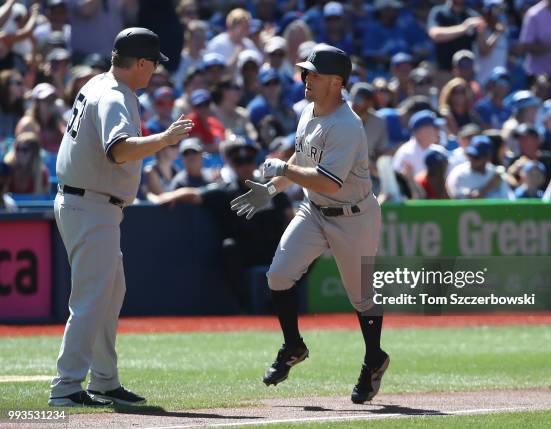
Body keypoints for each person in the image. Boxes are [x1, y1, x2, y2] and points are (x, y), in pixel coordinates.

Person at [230, 44, 388, 404]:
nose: (305, 78)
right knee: (278, 276)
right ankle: (293, 345)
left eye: (314, 74)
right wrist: (271, 189)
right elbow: (301, 161)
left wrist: (284, 171)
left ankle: (374, 358)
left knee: (362, 298)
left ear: (336, 82)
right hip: (315, 210)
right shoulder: (308, 111)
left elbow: (329, 180)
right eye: (305, 72)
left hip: (354, 216)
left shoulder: (347, 125)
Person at [50, 27, 194, 407]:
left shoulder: (100, 81)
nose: (155, 72)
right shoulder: (115, 95)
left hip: (88, 202)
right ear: (142, 62)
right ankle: (66, 386)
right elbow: (118, 150)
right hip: (91, 204)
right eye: (153, 64)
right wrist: (164, 138)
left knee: (110, 294)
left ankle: (104, 379)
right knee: (92, 298)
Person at [149, 135, 293, 312]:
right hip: (246, 251)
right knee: (229, 248)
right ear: (232, 164)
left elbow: (289, 215)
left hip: (274, 249)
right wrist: (168, 196)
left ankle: (278, 300)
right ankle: (245, 305)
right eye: (239, 161)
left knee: (305, 247)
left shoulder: (269, 187)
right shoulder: (225, 190)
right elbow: (194, 194)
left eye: (248, 160)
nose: (245, 165)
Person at [427, 0, 483, 82]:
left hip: (466, 73)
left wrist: (481, 32)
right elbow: (435, 35)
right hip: (444, 72)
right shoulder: (439, 12)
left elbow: (484, 49)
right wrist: (464, 28)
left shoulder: (472, 15)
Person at [446, 135, 514, 199]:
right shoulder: (459, 174)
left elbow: (508, 200)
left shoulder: (495, 172)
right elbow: (461, 203)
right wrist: (490, 185)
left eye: (477, 157)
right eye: (470, 155)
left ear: (488, 157)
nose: (472, 159)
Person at [15, 82, 66, 153]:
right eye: (46, 100)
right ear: (37, 103)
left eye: (53, 100)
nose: (50, 103)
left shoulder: (58, 122)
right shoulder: (27, 124)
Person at [392, 109, 444, 178]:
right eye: (435, 128)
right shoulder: (406, 153)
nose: (438, 131)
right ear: (420, 132)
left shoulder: (439, 150)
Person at [474, 0, 509, 86]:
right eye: (496, 9)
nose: (499, 13)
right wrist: (497, 33)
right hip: (482, 82)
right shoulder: (481, 30)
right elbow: (484, 51)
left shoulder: (503, 32)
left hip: (499, 83)